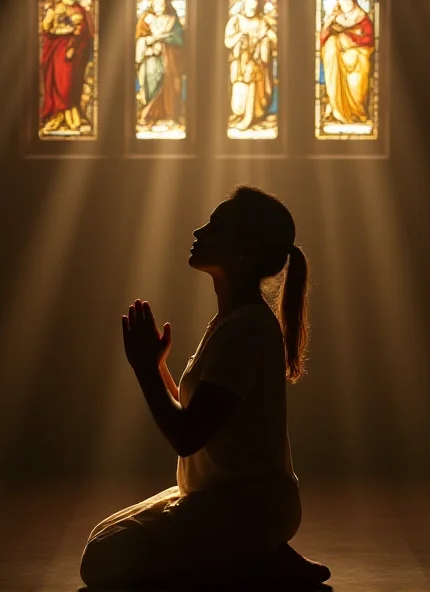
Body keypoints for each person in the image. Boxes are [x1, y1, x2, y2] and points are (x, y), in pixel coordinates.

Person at [79, 186, 331, 589]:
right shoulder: (230, 322)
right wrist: (158, 368)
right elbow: (198, 411)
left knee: (101, 561)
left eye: (215, 227)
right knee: (103, 538)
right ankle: (260, 555)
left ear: (244, 250)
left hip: (250, 505)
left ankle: (258, 559)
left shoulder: (245, 328)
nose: (198, 232)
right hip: (219, 496)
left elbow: (187, 435)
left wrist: (145, 370)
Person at [40, 0, 95, 134]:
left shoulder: (78, 10)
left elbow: (83, 32)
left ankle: (71, 118)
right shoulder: (54, 8)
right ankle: (58, 117)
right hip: (55, 47)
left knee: (66, 83)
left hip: (70, 50)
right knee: (55, 80)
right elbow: (46, 28)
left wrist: (73, 46)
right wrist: (49, 17)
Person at [224, 0, 277, 132]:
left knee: (252, 73)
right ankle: (239, 114)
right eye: (249, 4)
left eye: (254, 5)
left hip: (256, 63)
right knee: (238, 95)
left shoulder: (262, 21)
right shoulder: (235, 21)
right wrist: (238, 37)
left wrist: (264, 38)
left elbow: (273, 39)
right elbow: (228, 42)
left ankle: (249, 117)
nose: (252, 7)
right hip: (238, 63)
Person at [320, 0, 374, 125]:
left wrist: (351, 39)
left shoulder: (361, 17)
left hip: (358, 58)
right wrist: (332, 31)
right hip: (338, 60)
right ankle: (336, 109)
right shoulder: (333, 18)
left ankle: (357, 112)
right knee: (331, 45)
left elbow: (369, 39)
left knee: (358, 82)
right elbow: (322, 39)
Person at [135, 0, 185, 129]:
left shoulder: (172, 21)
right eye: (156, 4)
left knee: (167, 87)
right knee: (150, 86)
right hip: (150, 60)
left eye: (162, 4)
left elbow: (179, 39)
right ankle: (151, 116)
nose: (159, 7)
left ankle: (168, 116)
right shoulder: (146, 20)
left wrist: (163, 38)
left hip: (168, 61)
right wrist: (148, 41)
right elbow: (140, 36)